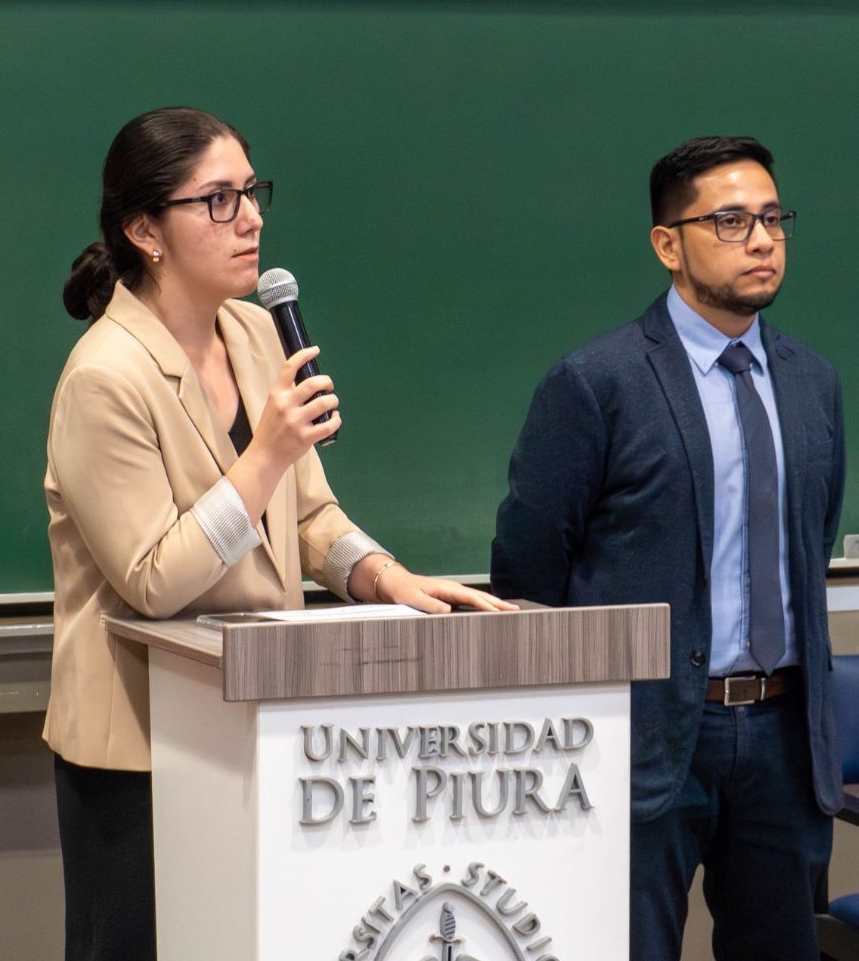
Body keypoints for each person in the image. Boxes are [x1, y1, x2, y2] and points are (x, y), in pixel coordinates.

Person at [45, 106, 512, 961]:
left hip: (262, 724)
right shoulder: (105, 377)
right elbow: (153, 579)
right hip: (141, 753)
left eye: (252, 192)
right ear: (145, 230)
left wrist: (385, 576)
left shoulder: (256, 331)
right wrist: (263, 456)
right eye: (218, 200)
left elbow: (306, 515)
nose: (251, 218)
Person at [491, 136, 845, 959]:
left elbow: (811, 542)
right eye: (730, 221)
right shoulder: (598, 381)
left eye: (772, 219)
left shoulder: (811, 381)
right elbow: (529, 568)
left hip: (784, 736)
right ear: (667, 245)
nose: (761, 241)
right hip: (638, 736)